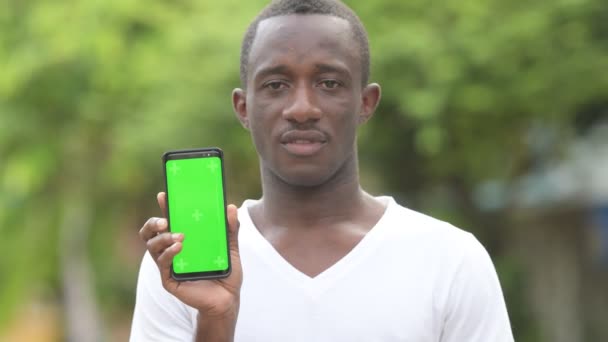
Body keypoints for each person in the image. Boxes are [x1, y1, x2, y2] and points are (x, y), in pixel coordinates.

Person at [130, 0, 514, 341]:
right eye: (276, 84)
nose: (302, 108)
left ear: (366, 102)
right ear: (243, 108)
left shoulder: (450, 260)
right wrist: (217, 319)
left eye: (329, 83)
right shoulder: (181, 267)